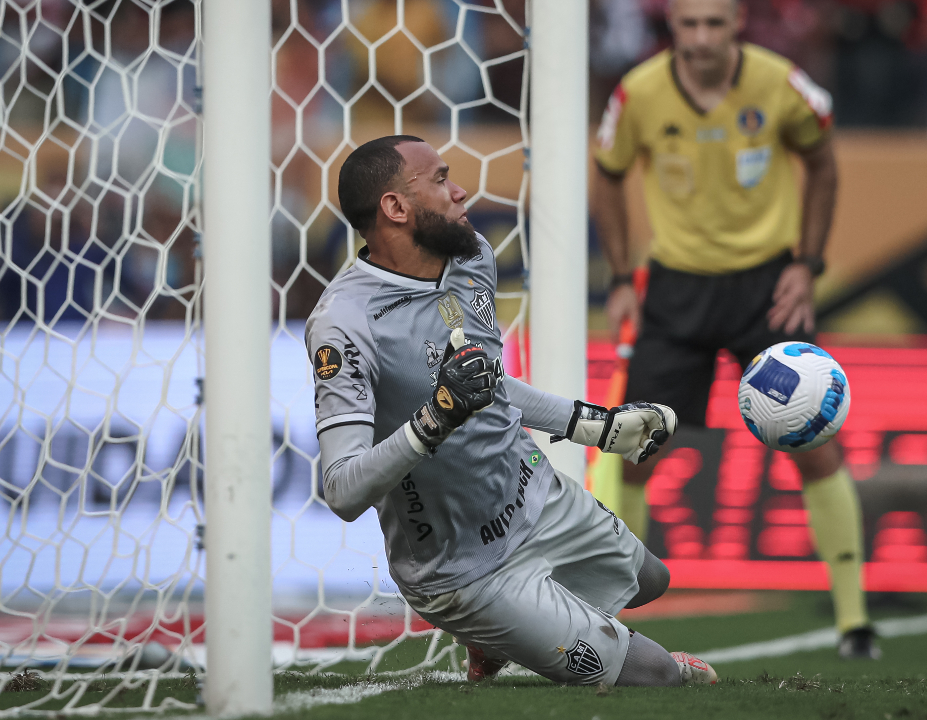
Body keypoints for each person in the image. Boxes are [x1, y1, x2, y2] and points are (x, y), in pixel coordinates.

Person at [307, 135, 718, 687]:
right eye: (439, 180)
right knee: (659, 677)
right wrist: (434, 420)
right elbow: (342, 490)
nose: (459, 192)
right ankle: (495, 626)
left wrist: (597, 425)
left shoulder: (471, 254)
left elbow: (487, 384)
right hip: (460, 570)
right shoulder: (344, 324)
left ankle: (502, 635)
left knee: (653, 580)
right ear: (395, 208)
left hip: (535, 496)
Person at [591, 0, 877, 659]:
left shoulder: (781, 84)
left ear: (737, 25)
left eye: (713, 24)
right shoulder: (639, 93)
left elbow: (823, 161)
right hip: (675, 289)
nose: (700, 38)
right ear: (674, 27)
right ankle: (602, 609)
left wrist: (807, 265)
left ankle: (854, 621)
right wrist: (618, 277)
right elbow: (607, 178)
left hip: (765, 290)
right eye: (688, 25)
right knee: (634, 448)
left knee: (817, 441)